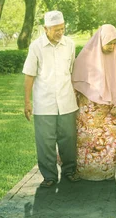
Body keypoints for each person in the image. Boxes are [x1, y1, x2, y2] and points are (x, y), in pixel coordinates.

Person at [22, 11, 79, 188]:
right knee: (45, 141)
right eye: (56, 29)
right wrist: (27, 101)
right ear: (46, 28)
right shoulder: (36, 46)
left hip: (67, 100)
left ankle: (69, 170)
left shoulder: (70, 44)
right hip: (44, 102)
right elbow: (29, 75)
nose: (60, 32)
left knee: (68, 138)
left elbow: (72, 70)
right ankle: (49, 176)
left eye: (62, 28)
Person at [71, 24, 116, 181]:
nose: (112, 47)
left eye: (115, 43)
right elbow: (75, 86)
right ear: (100, 40)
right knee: (87, 143)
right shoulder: (85, 59)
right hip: (88, 114)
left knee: (108, 144)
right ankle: (85, 172)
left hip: (111, 113)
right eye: (109, 43)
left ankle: (106, 172)